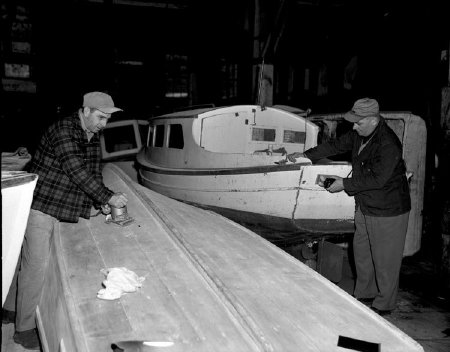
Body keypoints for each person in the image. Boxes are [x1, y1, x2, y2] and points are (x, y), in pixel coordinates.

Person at [2, 91, 129, 349]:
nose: (104, 124)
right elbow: (75, 169)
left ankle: (8, 310)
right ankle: (23, 329)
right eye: (101, 117)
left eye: (107, 119)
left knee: (27, 260)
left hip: (58, 204)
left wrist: (100, 200)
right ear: (85, 110)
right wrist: (109, 196)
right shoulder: (63, 129)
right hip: (40, 204)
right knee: (36, 265)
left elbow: (93, 172)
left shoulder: (92, 135)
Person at [287, 97, 411, 315]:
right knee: (362, 252)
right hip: (365, 205)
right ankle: (364, 294)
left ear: (373, 121)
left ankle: (384, 306)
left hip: (387, 209)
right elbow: (335, 145)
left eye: (358, 122)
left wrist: (344, 183)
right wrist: (306, 155)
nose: (353, 126)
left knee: (385, 261)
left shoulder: (388, 144)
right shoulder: (359, 135)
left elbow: (378, 180)